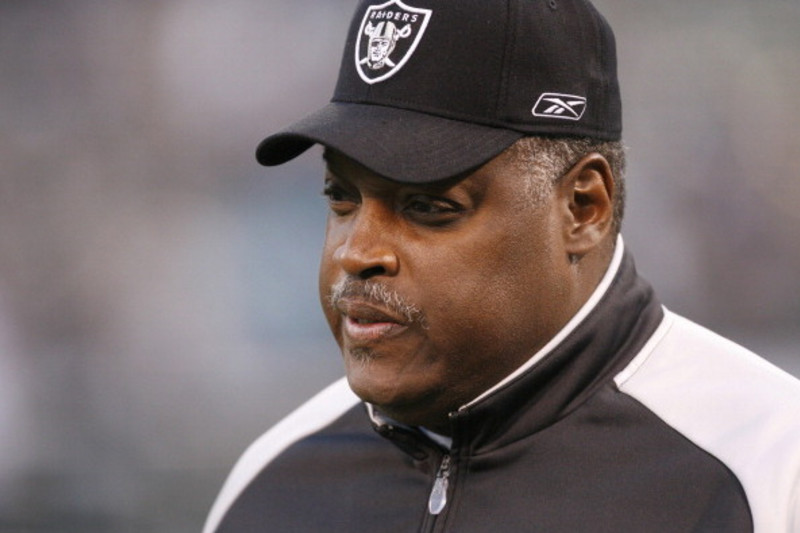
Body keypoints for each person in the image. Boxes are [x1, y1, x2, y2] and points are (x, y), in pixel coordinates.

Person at [204, 1, 800, 531]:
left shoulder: (768, 467)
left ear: (582, 208)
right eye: (342, 197)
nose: (358, 253)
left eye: (428, 206)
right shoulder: (272, 485)